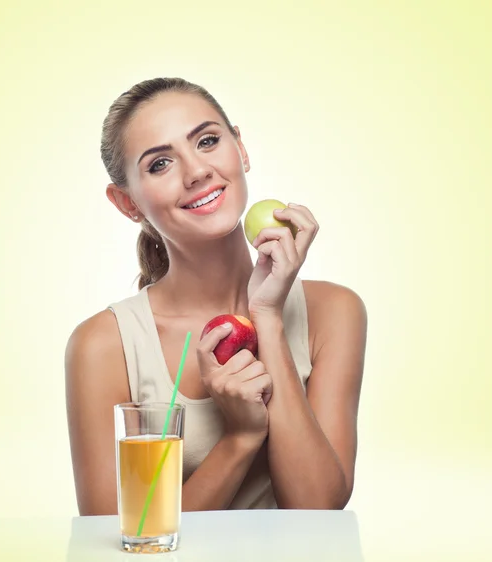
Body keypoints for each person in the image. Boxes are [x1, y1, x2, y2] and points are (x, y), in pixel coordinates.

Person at [65, 77, 367, 515]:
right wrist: (240, 438)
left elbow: (318, 506)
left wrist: (267, 316)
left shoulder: (334, 312)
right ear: (126, 202)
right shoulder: (103, 345)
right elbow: (117, 536)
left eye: (207, 141)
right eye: (160, 165)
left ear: (240, 149)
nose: (197, 172)